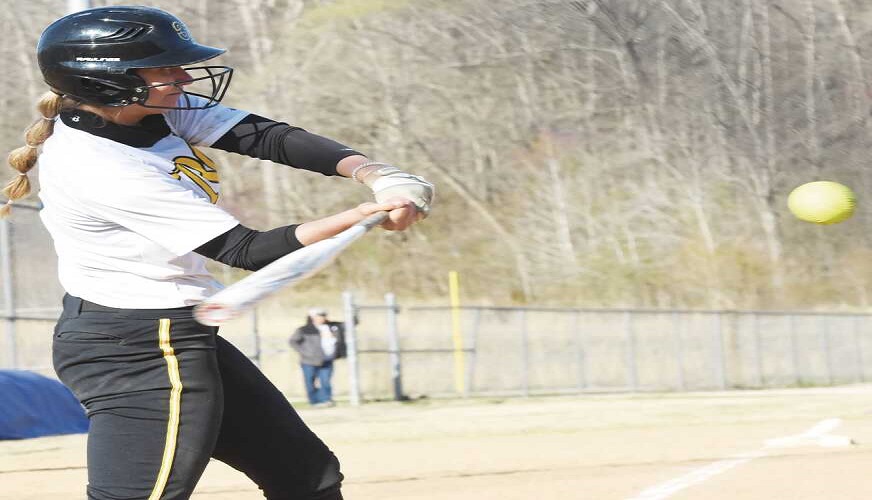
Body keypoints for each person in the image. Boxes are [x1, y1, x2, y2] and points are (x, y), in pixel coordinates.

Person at [1, 7, 433, 500]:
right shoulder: (98, 164)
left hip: (174, 330)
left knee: (306, 476)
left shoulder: (154, 111)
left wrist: (375, 173)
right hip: (137, 346)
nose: (181, 77)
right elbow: (245, 249)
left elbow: (266, 136)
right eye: (163, 68)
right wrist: (362, 216)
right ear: (105, 81)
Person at [290, 309, 347, 407]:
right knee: (310, 382)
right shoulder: (305, 329)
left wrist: (354, 310)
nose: (322, 318)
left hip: (327, 360)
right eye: (319, 316)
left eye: (324, 315)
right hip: (309, 361)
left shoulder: (333, 326)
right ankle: (314, 401)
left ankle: (326, 400)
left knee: (325, 381)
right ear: (313, 317)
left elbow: (352, 323)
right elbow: (293, 341)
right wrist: (305, 352)